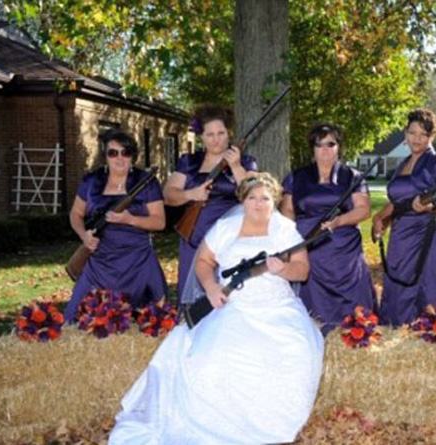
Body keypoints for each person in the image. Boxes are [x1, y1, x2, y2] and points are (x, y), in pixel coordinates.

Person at [109, 173, 324, 445]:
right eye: (253, 198)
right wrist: (211, 288)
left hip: (278, 308)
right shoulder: (226, 227)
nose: (259, 204)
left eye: (265, 199)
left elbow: (302, 271)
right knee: (211, 358)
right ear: (243, 200)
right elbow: (204, 261)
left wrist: (282, 269)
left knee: (293, 352)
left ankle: (269, 424)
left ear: (275, 201)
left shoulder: (285, 230)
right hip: (233, 305)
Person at [371, 109, 436, 326]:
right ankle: (396, 328)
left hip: (429, 236)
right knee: (399, 290)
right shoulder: (401, 165)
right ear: (405, 133)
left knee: (429, 290)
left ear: (432, 136)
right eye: (412, 133)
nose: (417, 139)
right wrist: (381, 218)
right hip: (400, 237)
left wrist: (431, 207)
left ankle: (432, 332)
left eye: (423, 134)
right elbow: (398, 201)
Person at [280, 123, 376, 335]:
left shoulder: (352, 176)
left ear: (339, 147)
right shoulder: (296, 177)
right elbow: (287, 211)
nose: (325, 149)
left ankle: (354, 335)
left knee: (352, 301)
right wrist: (289, 242)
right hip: (307, 247)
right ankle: (313, 336)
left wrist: (339, 221)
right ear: (312, 149)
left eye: (330, 144)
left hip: (343, 251)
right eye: (319, 144)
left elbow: (364, 210)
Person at [64, 128, 167, 322]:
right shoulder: (91, 181)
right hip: (100, 262)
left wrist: (130, 219)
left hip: (138, 261)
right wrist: (84, 236)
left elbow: (160, 222)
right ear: (105, 156)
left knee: (149, 321)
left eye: (125, 152)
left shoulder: (146, 182)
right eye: (113, 153)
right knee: (77, 318)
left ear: (132, 156)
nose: (119, 158)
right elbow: (76, 214)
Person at [163, 105, 257, 297]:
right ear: (201, 137)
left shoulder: (246, 161)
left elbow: (253, 193)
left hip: (231, 239)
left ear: (229, 133)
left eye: (221, 133)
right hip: (195, 237)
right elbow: (168, 195)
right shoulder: (189, 162)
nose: (216, 139)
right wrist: (191, 194)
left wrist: (236, 166)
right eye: (210, 134)